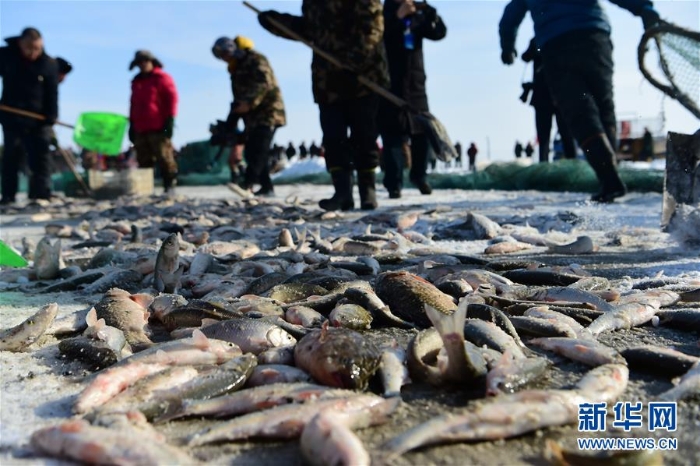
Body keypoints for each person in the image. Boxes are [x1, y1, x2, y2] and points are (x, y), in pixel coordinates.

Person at [499, 0, 661, 202]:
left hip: (556, 44)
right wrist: (643, 8)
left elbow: (510, 16)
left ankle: (609, 178)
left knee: (580, 113)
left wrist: (507, 46)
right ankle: (611, 174)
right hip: (594, 38)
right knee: (604, 107)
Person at [258, 0, 389, 211]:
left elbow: (372, 28)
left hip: (364, 79)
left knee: (364, 137)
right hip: (328, 82)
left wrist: (354, 63)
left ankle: (368, 192)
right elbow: (310, 30)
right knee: (333, 138)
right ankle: (342, 193)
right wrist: (276, 22)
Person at [379, 0, 447, 199]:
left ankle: (419, 176)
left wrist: (433, 15)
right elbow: (379, 37)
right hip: (390, 84)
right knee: (392, 136)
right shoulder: (385, 13)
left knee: (422, 134)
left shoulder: (416, 15)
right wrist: (397, 17)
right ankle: (394, 184)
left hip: (416, 85)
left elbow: (438, 33)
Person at [212, 36, 286, 197]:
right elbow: (239, 96)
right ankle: (266, 187)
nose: (225, 58)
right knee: (253, 150)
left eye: (225, 53)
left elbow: (263, 83)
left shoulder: (255, 59)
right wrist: (231, 120)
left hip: (269, 112)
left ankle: (248, 183)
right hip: (252, 117)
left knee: (259, 149)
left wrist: (249, 103)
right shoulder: (236, 68)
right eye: (221, 56)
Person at [0, 27, 59, 205]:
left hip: (39, 119)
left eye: (37, 48)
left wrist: (52, 115)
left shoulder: (49, 64)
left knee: (41, 156)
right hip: (11, 114)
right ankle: (8, 195)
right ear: (20, 44)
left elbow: (52, 93)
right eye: (29, 48)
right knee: (12, 155)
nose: (33, 52)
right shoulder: (6, 56)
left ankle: (40, 194)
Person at [128, 50, 179, 194]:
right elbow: (133, 104)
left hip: (159, 125)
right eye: (140, 63)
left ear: (152, 62)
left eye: (145, 61)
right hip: (140, 126)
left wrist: (170, 119)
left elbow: (172, 99)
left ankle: (169, 185)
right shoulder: (136, 81)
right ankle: (147, 189)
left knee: (164, 156)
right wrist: (132, 124)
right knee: (143, 159)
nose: (143, 65)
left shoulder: (162, 78)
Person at [520, 38, 576, 163]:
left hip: (553, 96)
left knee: (562, 135)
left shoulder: (540, 39)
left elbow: (525, 57)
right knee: (552, 136)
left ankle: (568, 162)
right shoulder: (548, 39)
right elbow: (525, 57)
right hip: (552, 96)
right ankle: (566, 162)